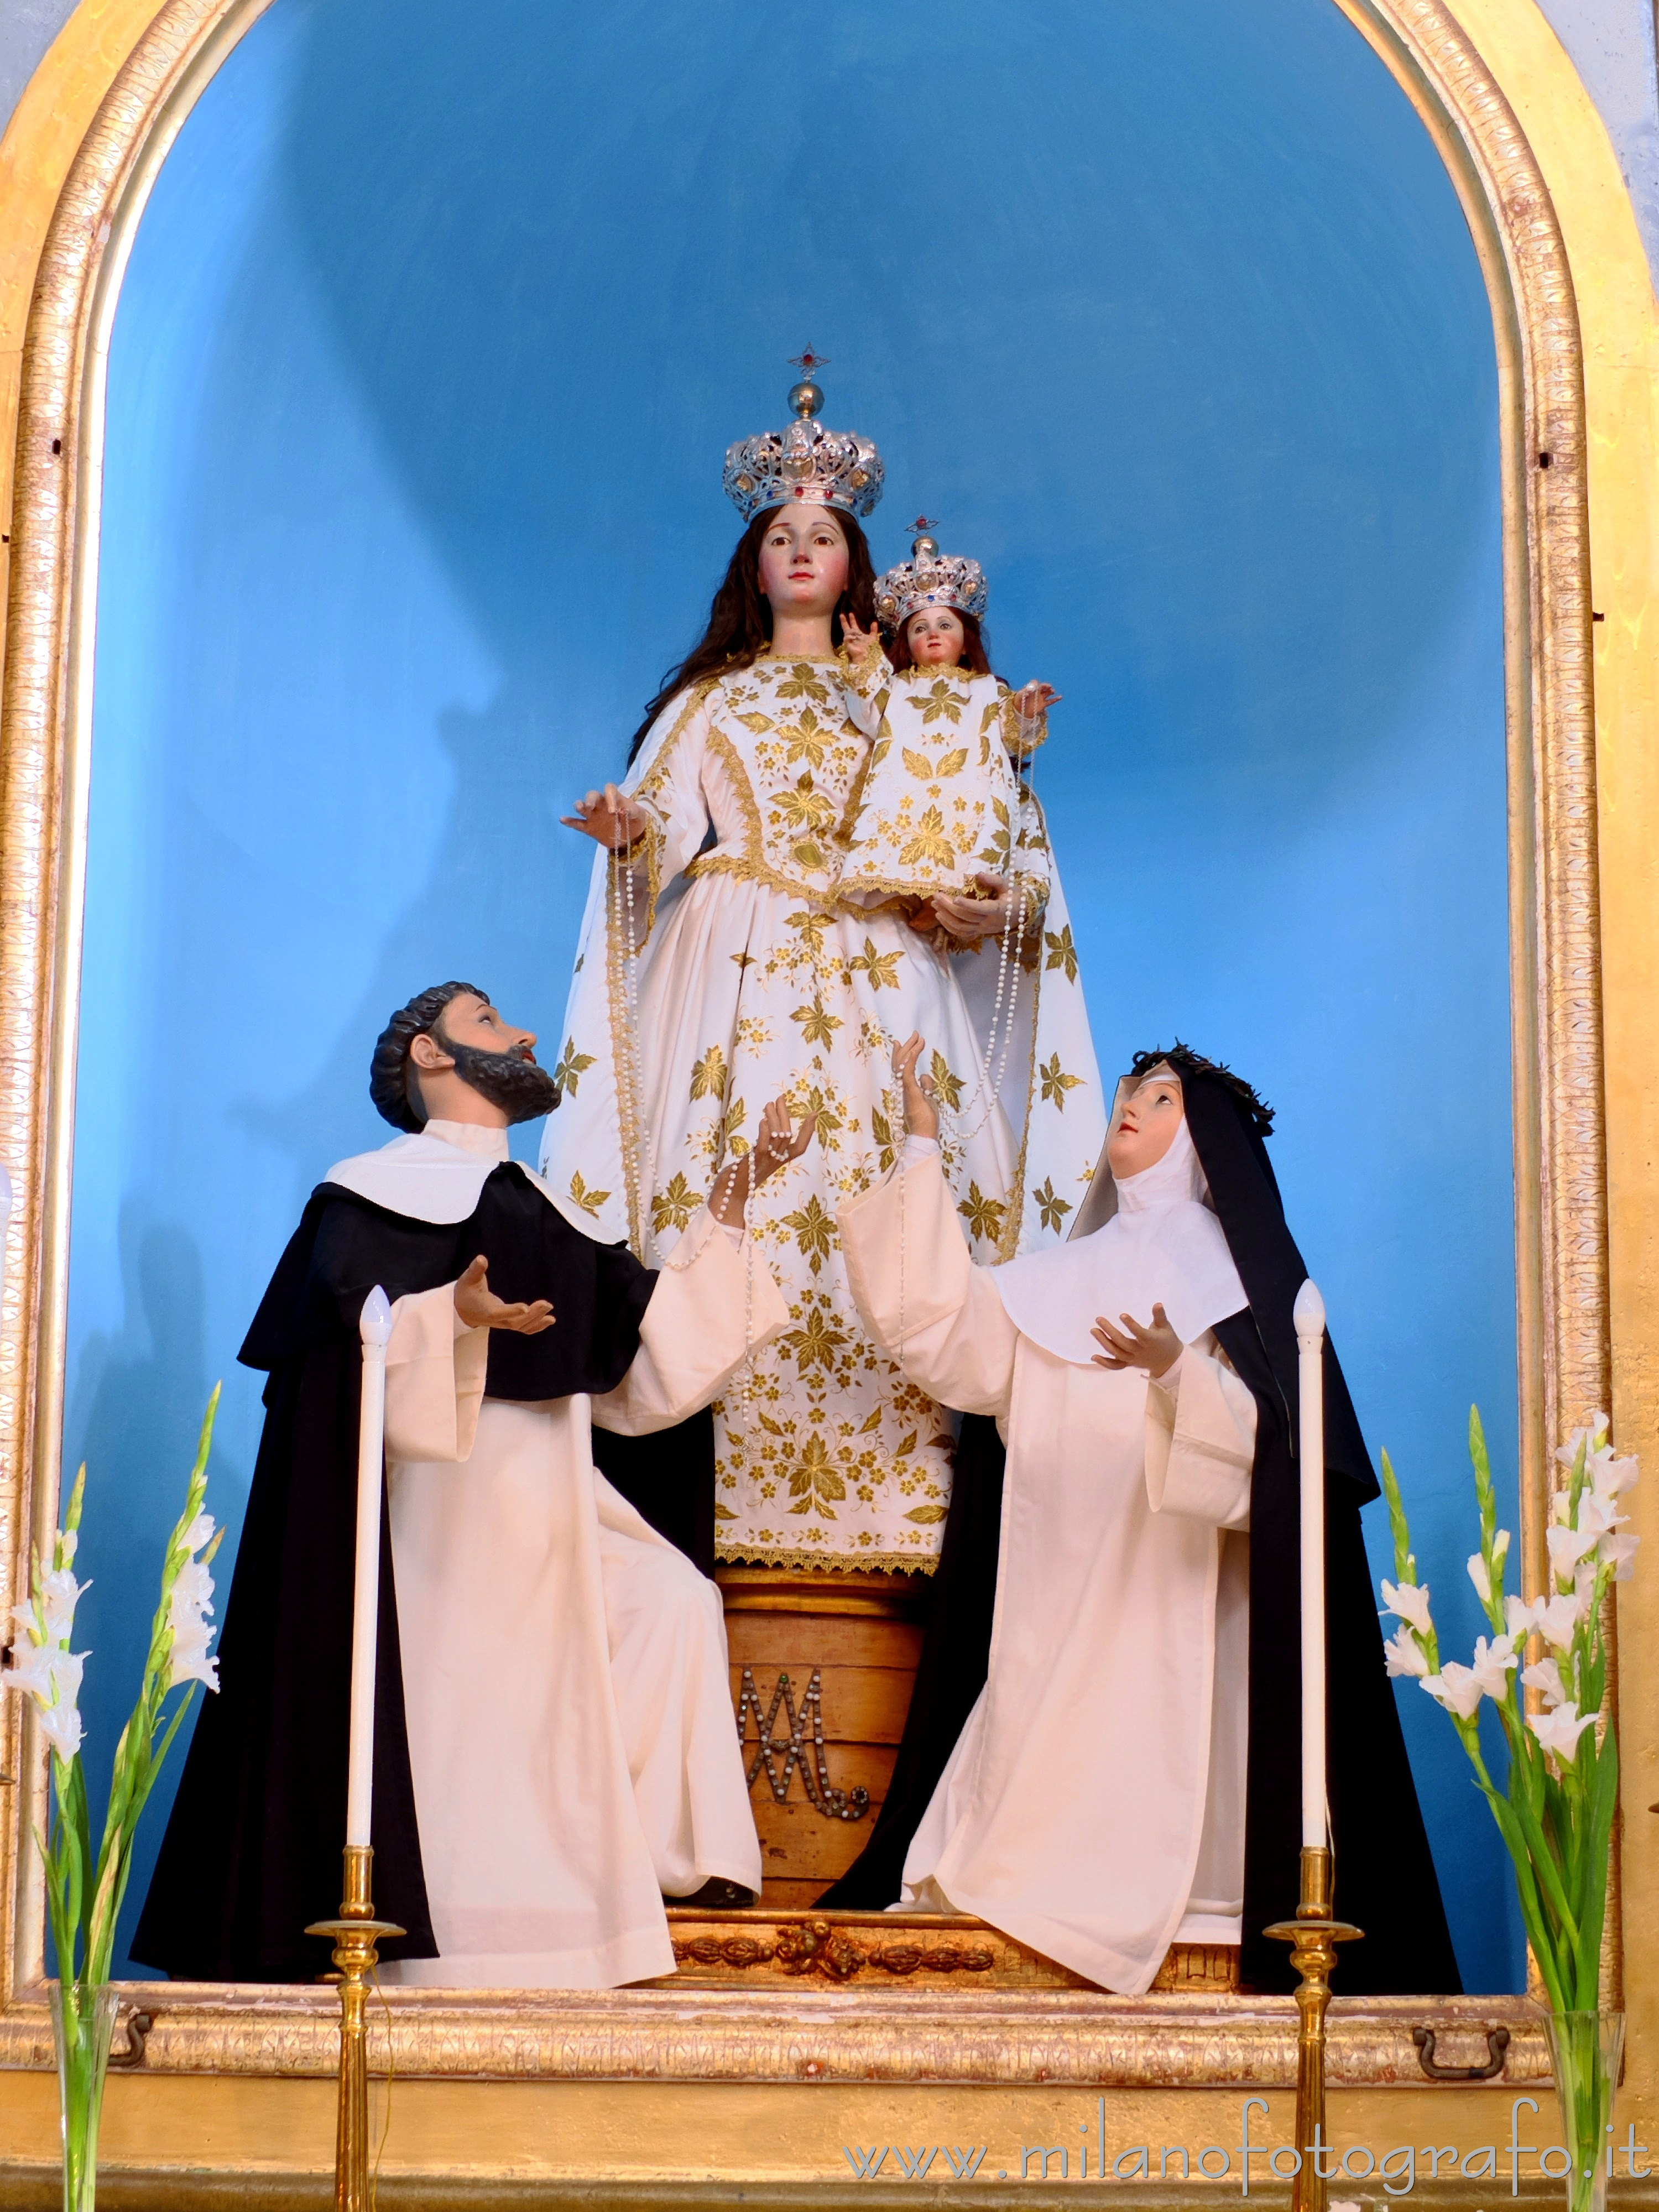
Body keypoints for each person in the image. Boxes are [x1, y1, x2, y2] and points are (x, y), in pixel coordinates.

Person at [542, 362, 1105, 1576]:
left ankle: (905, 1520)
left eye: (822, 534)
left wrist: (969, 907)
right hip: (734, 966)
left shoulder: (905, 703)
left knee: (895, 1186)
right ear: (755, 564)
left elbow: (960, 832)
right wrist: (628, 832)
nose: (800, 549)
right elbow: (661, 825)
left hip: (879, 971)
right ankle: (708, 1494)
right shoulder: (710, 702)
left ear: (855, 562)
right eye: (779, 534)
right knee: (725, 1178)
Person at [134, 982, 807, 1989]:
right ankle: (471, 1927)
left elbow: (648, 1364)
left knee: (672, 1600)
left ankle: (675, 1864)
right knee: (479, 1694)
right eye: (490, 1022)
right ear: (430, 1056)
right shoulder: (367, 1193)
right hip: (436, 1507)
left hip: (556, 1489)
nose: (523, 1033)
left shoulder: (544, 1209)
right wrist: (451, 1313)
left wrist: (737, 1198)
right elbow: (336, 1369)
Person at [824, 1036, 1459, 1999]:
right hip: (1056, 1585)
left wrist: (1176, 1374)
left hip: (1179, 1603)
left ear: (1201, 1141)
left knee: (1165, 1767)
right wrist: (920, 1148)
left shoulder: (1236, 1286)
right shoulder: (1060, 1276)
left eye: (1160, 1099)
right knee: (1018, 1796)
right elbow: (946, 1334)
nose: (1131, 1104)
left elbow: (1274, 1465)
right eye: (1129, 1092)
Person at [838, 519, 1058, 941]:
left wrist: (1026, 712)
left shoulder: (986, 690)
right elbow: (869, 717)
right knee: (903, 828)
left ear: (966, 637)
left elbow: (1014, 738)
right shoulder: (898, 686)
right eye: (920, 628)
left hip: (967, 780)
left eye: (945, 625)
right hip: (908, 777)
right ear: (905, 641)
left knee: (967, 837)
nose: (933, 635)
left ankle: (950, 900)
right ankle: (915, 898)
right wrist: (864, 664)